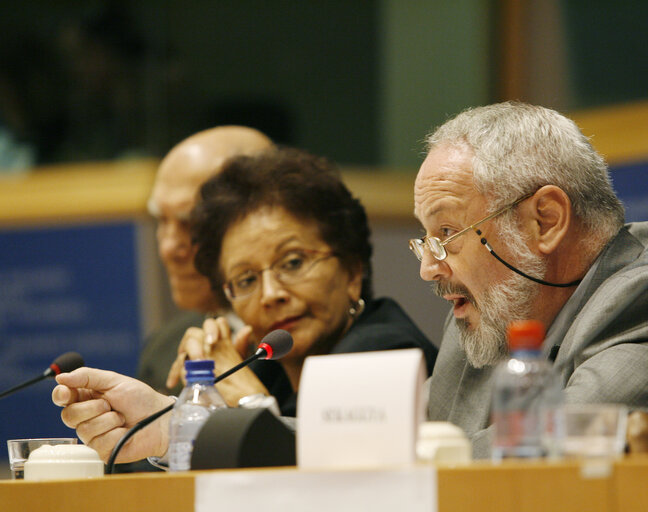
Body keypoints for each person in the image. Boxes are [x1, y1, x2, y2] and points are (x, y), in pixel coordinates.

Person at [414, 101, 648, 457]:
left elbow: (552, 453)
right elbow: (399, 429)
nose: (428, 267)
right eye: (425, 240)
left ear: (546, 221)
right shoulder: (490, 315)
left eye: (447, 233)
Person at [52, 148, 437, 463]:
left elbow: (342, 486)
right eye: (247, 280)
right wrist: (169, 420)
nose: (271, 293)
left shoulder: (386, 351)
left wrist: (249, 403)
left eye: (293, 263)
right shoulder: (269, 368)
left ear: (352, 271)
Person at [139, 126, 274, 395]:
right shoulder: (163, 350)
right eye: (162, 220)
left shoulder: (317, 345)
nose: (168, 248)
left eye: (191, 223)